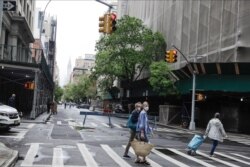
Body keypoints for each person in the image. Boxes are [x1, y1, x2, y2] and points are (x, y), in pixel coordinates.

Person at [136, 101, 151, 165]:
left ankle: (142, 159)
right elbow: (141, 124)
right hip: (142, 132)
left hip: (144, 131)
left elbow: (146, 124)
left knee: (143, 145)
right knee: (146, 145)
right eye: (145, 105)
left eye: (147, 105)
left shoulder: (144, 113)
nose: (146, 107)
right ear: (143, 106)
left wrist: (150, 130)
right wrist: (142, 133)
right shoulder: (143, 113)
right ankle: (142, 159)